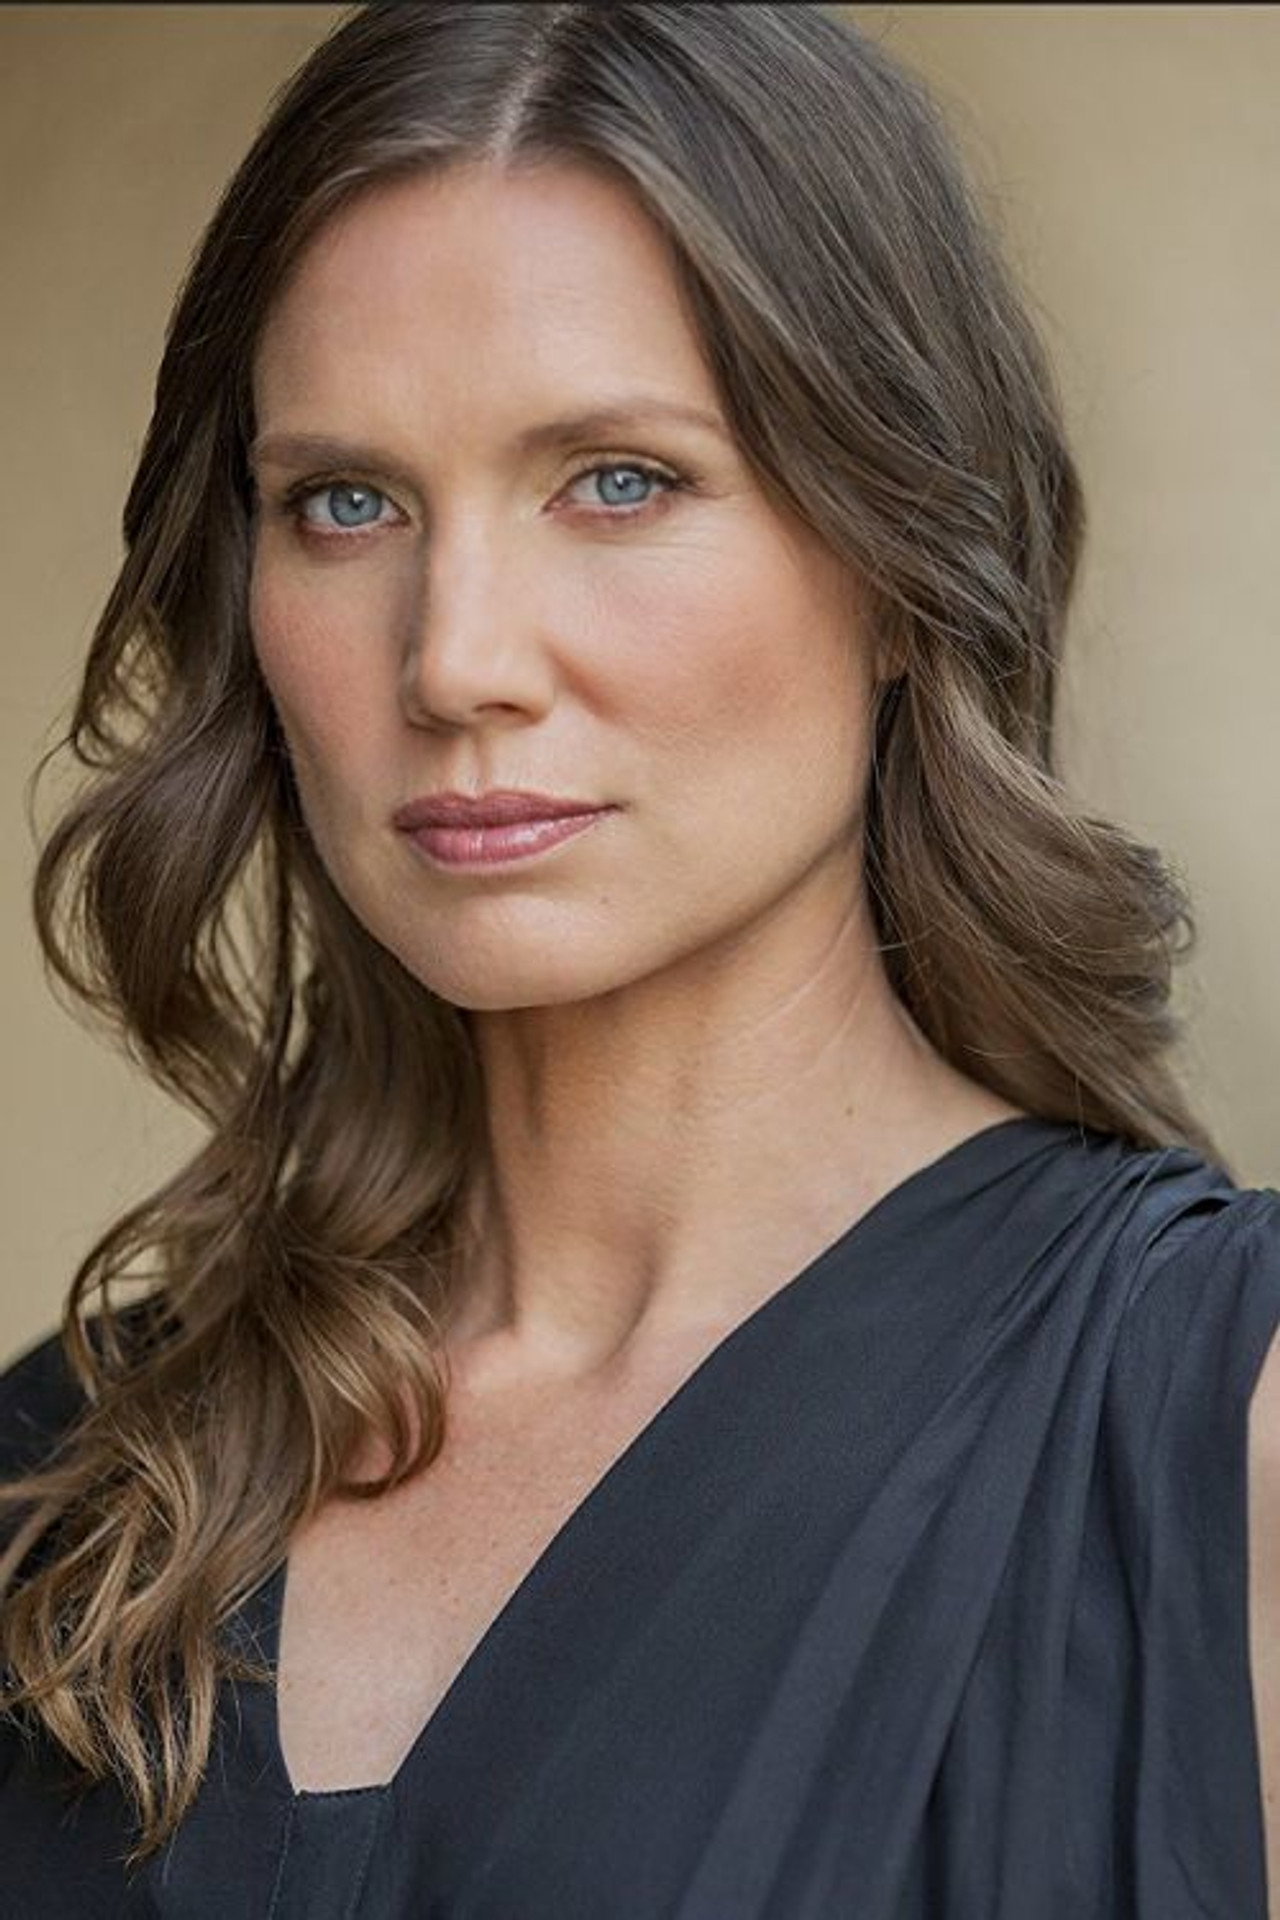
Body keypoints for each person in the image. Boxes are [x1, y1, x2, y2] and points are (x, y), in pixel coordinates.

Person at [1, 3, 1277, 1913]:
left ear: (906, 565)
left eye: (617, 480)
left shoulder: (1216, 1438)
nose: (455, 660)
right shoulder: (65, 1478)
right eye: (345, 503)